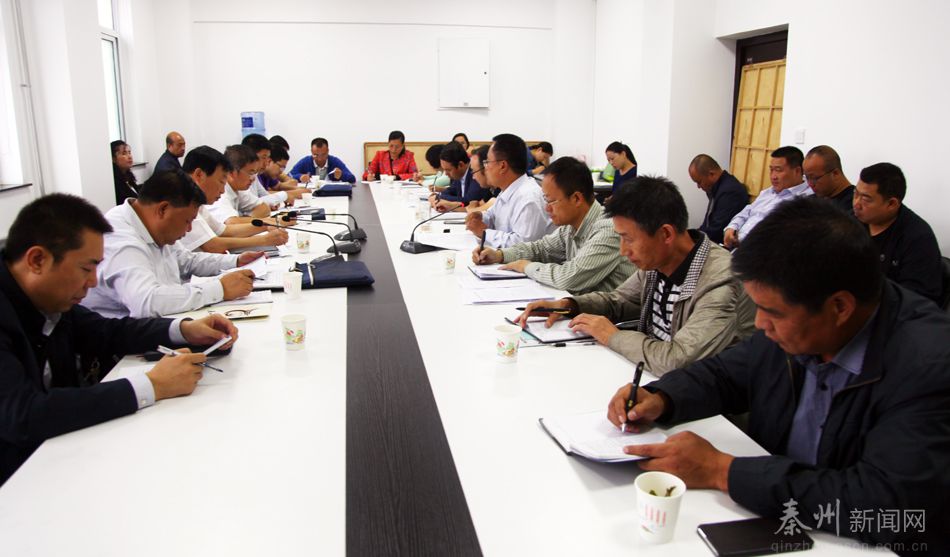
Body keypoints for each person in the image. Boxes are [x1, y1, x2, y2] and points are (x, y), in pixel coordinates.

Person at [607, 197, 950, 550]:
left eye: (772, 312)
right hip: (779, 517)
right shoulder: (798, 324)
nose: (760, 323)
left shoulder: (927, 365)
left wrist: (723, 471)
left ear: (839, 307)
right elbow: (727, 373)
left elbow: (884, 504)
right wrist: (662, 397)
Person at [0, 193, 240, 484]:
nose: (92, 282)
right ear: (37, 260)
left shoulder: (51, 301)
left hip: (62, 459)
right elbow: (22, 415)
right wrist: (152, 385)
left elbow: (108, 332)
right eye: (86, 268)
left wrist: (184, 329)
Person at [518, 176, 754, 375]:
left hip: (705, 400)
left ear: (666, 234)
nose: (623, 250)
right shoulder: (658, 262)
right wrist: (569, 305)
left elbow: (678, 360)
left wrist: (613, 336)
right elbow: (620, 300)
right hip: (646, 372)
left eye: (628, 239)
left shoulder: (720, 279)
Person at [81, 171, 260, 318]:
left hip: (163, 324)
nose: (189, 229)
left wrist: (236, 261)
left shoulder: (155, 228)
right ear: (163, 209)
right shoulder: (121, 239)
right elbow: (146, 301)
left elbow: (186, 261)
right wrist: (219, 289)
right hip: (126, 344)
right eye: (187, 221)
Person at [473, 157, 635, 294]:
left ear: (576, 199)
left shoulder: (608, 229)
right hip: (582, 308)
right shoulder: (570, 227)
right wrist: (499, 255)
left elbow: (569, 277)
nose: (547, 208)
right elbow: (540, 249)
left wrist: (526, 267)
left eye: (551, 201)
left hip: (608, 316)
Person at [853, 162, 942, 304]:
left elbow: (916, 299)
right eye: (855, 194)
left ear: (891, 204)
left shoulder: (918, 238)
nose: (856, 204)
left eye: (865, 199)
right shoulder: (851, 221)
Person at [178, 146, 288, 254]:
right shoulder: (182, 201)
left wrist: (267, 225)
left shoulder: (197, 202)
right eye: (221, 182)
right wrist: (263, 240)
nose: (222, 190)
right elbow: (211, 245)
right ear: (199, 175)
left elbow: (224, 231)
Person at [465, 133, 554, 247]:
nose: (485, 168)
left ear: (502, 166)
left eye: (487, 162)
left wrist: (484, 233)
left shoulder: (529, 198)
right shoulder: (507, 189)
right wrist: (481, 217)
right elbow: (493, 216)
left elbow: (523, 247)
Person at [723, 146, 812, 248]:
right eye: (771, 170)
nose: (773, 176)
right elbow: (747, 212)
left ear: (797, 171)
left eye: (778, 170)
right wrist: (731, 228)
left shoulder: (805, 199)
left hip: (757, 251)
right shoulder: (768, 192)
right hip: (736, 247)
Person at [688, 154, 748, 244]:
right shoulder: (717, 188)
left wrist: (691, 239)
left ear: (711, 174)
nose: (698, 187)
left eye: (699, 182)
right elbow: (707, 226)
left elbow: (716, 232)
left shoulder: (730, 191)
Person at [242, 133, 305, 207]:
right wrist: (283, 195)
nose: (266, 163)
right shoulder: (241, 175)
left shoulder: (254, 175)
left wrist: (273, 202)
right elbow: (251, 204)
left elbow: (265, 195)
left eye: (268, 158)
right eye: (264, 157)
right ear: (250, 155)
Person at [430, 142, 491, 208]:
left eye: (448, 170)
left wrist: (439, 197)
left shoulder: (475, 172)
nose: (446, 174)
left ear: (460, 165)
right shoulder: (459, 174)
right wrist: (440, 197)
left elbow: (469, 201)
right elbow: (450, 190)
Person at [803, 145, 855, 215]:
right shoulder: (811, 201)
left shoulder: (854, 205)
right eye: (807, 178)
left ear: (835, 174)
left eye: (815, 178)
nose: (810, 184)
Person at [289, 137, 356, 184]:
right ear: (311, 151)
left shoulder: (334, 161)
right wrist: (300, 177)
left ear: (328, 151)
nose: (320, 159)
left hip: (331, 195)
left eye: (323, 155)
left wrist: (341, 175)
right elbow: (288, 176)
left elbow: (352, 179)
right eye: (316, 155)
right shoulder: (305, 161)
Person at [111, 140, 138, 204]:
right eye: (124, 153)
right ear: (113, 159)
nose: (129, 157)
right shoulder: (115, 181)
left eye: (129, 152)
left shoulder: (128, 176)